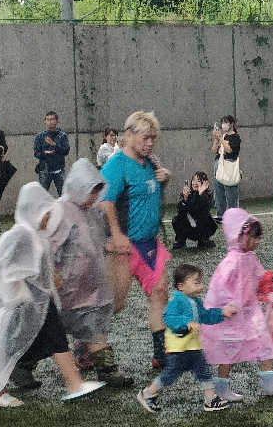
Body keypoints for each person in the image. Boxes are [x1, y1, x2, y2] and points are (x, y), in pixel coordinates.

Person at [0, 182, 105, 407]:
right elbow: (2, 266)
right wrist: (18, 289)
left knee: (26, 343)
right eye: (44, 212)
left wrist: (50, 276)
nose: (48, 218)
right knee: (20, 343)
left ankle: (71, 384)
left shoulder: (35, 235)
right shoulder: (22, 235)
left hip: (39, 301)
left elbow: (40, 264)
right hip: (27, 301)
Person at [40, 158, 132, 388]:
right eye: (92, 191)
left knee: (94, 328)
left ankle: (108, 371)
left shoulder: (92, 213)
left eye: (98, 191)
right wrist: (51, 275)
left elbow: (97, 242)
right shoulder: (60, 210)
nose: (94, 197)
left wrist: (112, 248)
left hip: (89, 287)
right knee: (45, 333)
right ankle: (23, 365)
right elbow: (47, 246)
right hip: (64, 288)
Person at [100, 111, 172, 370]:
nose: (151, 142)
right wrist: (116, 235)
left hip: (149, 244)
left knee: (160, 291)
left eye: (153, 138)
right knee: (114, 303)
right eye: (146, 137)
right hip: (123, 247)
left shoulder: (149, 162)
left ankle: (161, 353)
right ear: (128, 135)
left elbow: (149, 190)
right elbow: (105, 201)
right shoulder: (115, 165)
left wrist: (164, 178)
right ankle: (87, 347)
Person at [202, 209, 273, 400]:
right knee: (228, 353)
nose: (258, 241)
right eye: (254, 237)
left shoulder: (250, 257)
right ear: (239, 236)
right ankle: (221, 387)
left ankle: (270, 382)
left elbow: (260, 277)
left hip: (251, 314)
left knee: (264, 343)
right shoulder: (231, 261)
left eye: (259, 237)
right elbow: (219, 286)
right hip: (232, 316)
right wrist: (229, 306)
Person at [135, 264, 237, 413]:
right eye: (196, 282)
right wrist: (186, 323)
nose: (200, 285)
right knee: (170, 375)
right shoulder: (177, 300)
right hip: (179, 349)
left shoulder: (195, 301)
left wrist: (222, 312)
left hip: (192, 346)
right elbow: (169, 317)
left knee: (204, 371)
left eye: (200, 282)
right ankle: (147, 394)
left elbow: (205, 316)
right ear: (181, 286)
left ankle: (210, 400)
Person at [172, 171, 217, 250]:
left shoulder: (208, 195)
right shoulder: (186, 193)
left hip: (201, 227)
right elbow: (180, 211)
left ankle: (203, 240)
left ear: (204, 183)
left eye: (199, 181)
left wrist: (200, 194)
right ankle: (180, 240)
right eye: (193, 180)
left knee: (207, 219)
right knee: (176, 219)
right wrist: (185, 199)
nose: (195, 183)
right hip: (188, 227)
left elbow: (203, 212)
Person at [34, 111, 70, 196]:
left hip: (59, 169)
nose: (50, 121)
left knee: (64, 196)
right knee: (42, 196)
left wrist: (55, 145)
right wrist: (45, 153)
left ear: (57, 121)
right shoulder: (40, 136)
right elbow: (36, 153)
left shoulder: (62, 136)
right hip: (44, 169)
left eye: (52, 119)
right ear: (45, 121)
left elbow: (66, 151)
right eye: (48, 119)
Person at [212, 115, 241, 218]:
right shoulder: (223, 136)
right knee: (219, 192)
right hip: (219, 164)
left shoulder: (236, 137)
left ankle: (234, 216)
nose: (223, 125)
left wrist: (221, 138)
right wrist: (216, 139)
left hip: (229, 166)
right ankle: (221, 215)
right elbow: (214, 150)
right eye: (222, 122)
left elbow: (229, 150)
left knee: (231, 194)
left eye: (226, 122)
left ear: (231, 124)